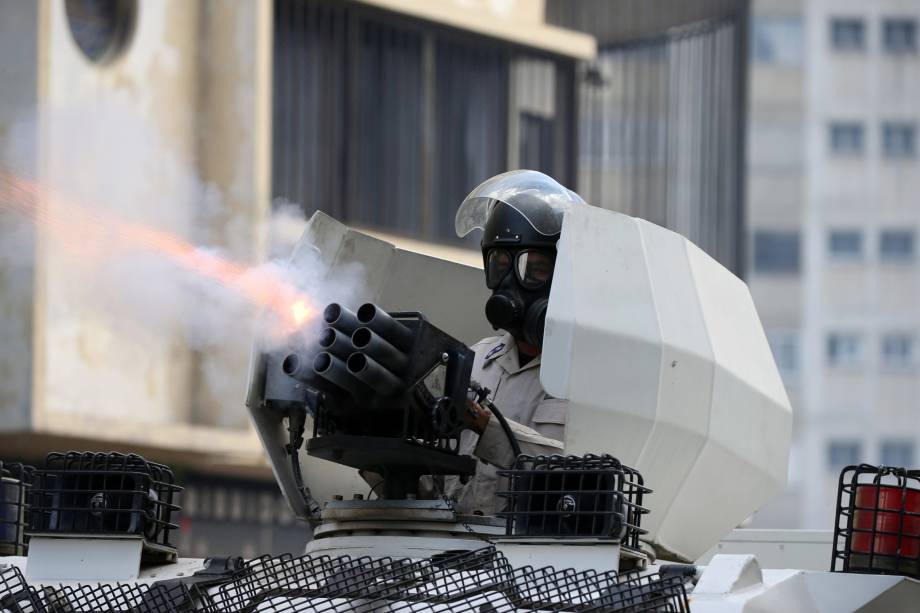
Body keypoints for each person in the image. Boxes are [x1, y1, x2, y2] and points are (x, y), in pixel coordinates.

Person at [441, 170, 586, 516]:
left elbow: (578, 471)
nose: (508, 283)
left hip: (538, 563)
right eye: (500, 265)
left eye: (532, 269)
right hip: (447, 554)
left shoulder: (590, 373)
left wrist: (482, 423)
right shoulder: (474, 361)